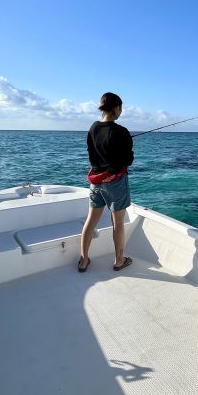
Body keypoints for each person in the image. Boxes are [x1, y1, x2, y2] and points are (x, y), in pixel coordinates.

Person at [78, 92, 134, 273]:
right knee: (118, 221)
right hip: (115, 183)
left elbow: (93, 156)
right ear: (116, 108)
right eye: (121, 108)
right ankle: (119, 260)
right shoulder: (122, 131)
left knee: (91, 220)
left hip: (96, 182)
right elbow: (128, 160)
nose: (121, 112)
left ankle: (84, 259)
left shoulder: (92, 128)